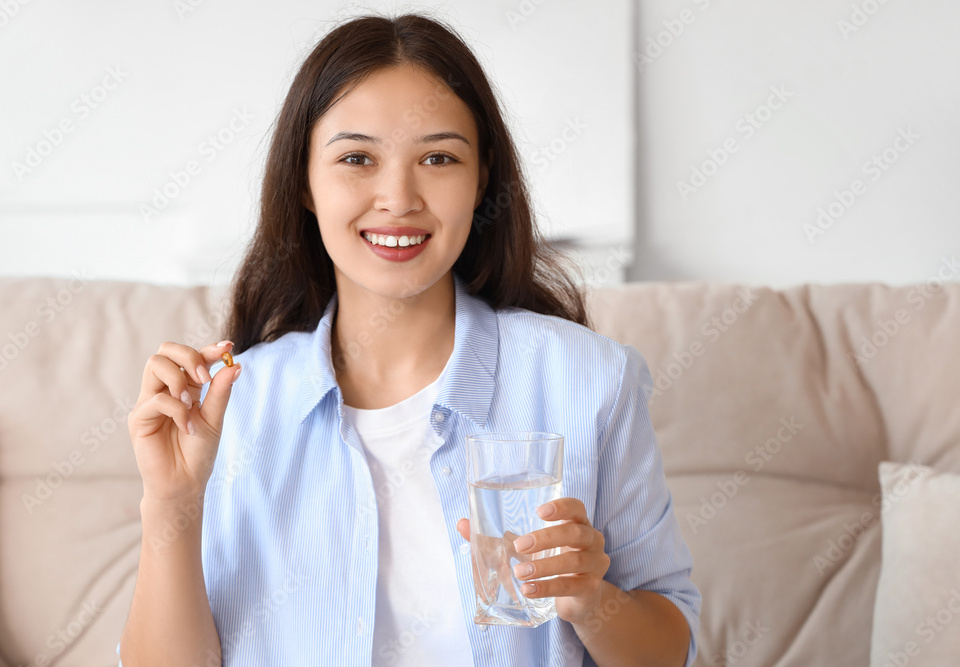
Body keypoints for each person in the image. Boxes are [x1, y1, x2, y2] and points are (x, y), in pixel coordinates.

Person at [118, 11, 700, 667]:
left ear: (482, 180)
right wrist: (173, 502)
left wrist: (593, 599)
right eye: (357, 158)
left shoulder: (589, 379)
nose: (398, 197)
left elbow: (670, 646)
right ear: (304, 182)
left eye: (439, 157)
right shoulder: (232, 407)